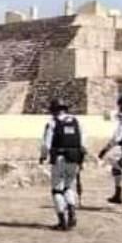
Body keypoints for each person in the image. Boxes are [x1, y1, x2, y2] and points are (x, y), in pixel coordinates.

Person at [40, 99, 86, 231]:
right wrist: (81, 159)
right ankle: (71, 212)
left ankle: (62, 221)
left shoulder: (52, 123)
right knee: (68, 187)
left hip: (60, 158)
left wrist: (43, 156)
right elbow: (83, 144)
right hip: (74, 158)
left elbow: (46, 144)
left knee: (57, 190)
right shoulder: (77, 122)